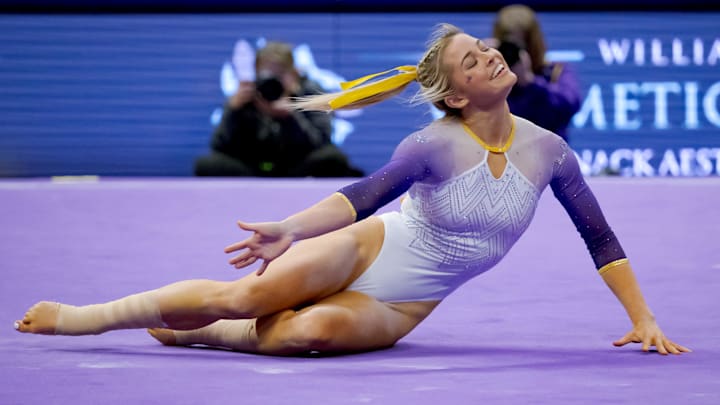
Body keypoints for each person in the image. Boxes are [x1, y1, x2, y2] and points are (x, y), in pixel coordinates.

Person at [15, 23, 689, 356]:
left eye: (487, 47)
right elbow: (362, 197)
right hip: (370, 247)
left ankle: (210, 334)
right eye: (472, 58)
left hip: (409, 302)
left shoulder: (551, 152)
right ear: (455, 95)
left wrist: (644, 316)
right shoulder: (432, 146)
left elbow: (599, 237)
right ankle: (87, 316)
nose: (490, 52)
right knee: (251, 292)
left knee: (295, 337)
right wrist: (289, 229)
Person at [194, 41, 363, 177]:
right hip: (252, 167)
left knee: (333, 159)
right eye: (267, 74)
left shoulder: (310, 92)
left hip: (296, 166)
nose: (273, 80)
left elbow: (322, 142)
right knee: (206, 164)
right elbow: (219, 146)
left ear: (294, 73)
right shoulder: (247, 95)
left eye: (280, 74)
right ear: (256, 72)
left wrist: (291, 116)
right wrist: (233, 111)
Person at [491, 4, 581, 141]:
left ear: (533, 43)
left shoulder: (556, 73)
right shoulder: (489, 79)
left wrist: (530, 81)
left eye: (520, 45)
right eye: (509, 46)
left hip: (550, 159)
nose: (516, 53)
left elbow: (569, 106)